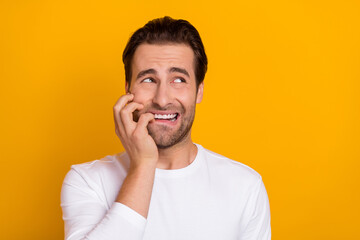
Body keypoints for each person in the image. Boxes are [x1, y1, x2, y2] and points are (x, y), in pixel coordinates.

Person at [61, 16, 271, 240]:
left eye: (178, 80)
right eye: (149, 80)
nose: (162, 100)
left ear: (199, 91)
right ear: (128, 89)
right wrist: (144, 165)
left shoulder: (245, 187)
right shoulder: (88, 181)